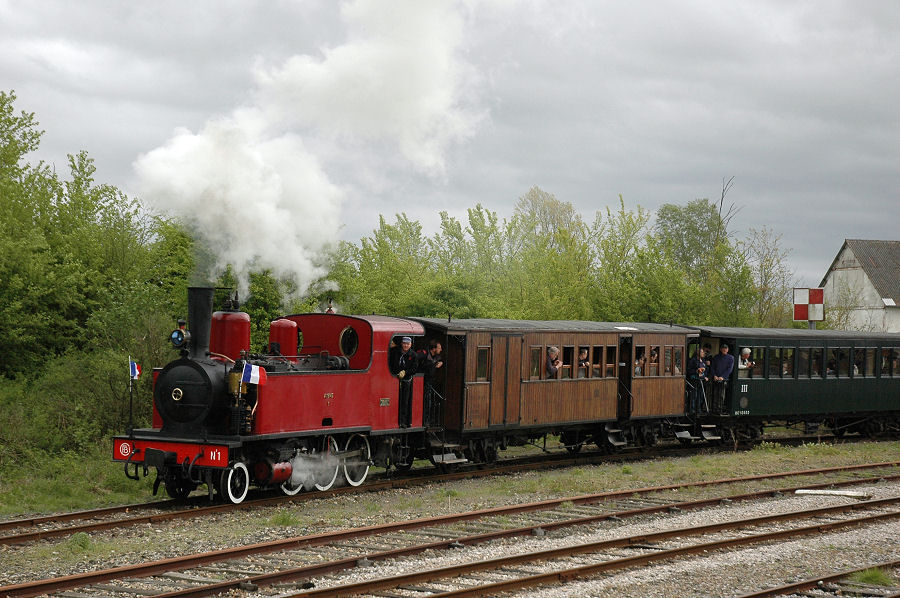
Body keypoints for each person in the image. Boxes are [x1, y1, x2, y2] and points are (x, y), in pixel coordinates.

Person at [391, 336, 417, 427]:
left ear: (410, 345)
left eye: (408, 344)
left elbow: (414, 369)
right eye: (404, 343)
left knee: (405, 401)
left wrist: (405, 372)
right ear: (402, 344)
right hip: (395, 378)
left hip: (406, 380)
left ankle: (403, 421)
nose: (406, 345)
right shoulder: (396, 352)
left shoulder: (413, 355)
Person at [709, 343, 734, 413]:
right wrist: (714, 375)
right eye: (723, 348)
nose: (724, 349)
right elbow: (712, 367)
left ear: (728, 349)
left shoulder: (730, 358)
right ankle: (714, 408)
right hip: (715, 378)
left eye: (725, 348)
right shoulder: (716, 357)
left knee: (721, 394)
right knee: (714, 393)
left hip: (724, 379)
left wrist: (722, 377)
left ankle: (720, 408)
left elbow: (729, 369)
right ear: (720, 349)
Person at [686, 347, 708, 412]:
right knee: (694, 395)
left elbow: (705, 369)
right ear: (698, 353)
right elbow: (689, 370)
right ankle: (692, 409)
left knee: (700, 395)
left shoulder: (703, 360)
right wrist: (696, 370)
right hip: (694, 379)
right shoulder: (693, 360)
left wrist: (705, 376)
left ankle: (698, 409)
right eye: (702, 352)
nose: (703, 353)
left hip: (701, 380)